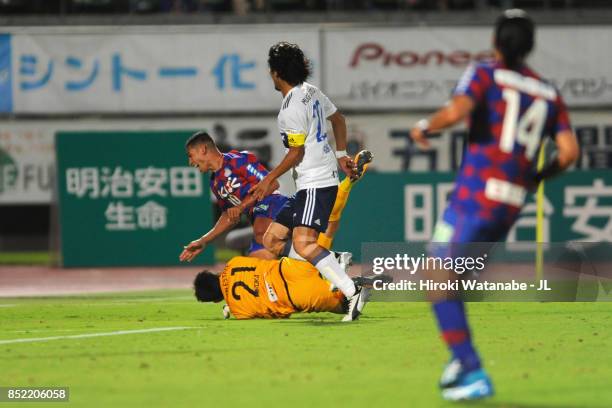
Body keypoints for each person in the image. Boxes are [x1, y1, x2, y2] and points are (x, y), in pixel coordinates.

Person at [409, 9, 579, 401]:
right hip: (512, 201)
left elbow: (458, 110)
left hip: (476, 194)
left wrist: (424, 127)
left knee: (436, 275)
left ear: (496, 42)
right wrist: (536, 179)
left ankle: (469, 369)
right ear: (530, 46)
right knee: (456, 280)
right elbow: (569, 153)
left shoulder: (485, 73)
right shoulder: (549, 93)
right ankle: (459, 362)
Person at [249, 41, 365, 322]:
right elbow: (338, 119)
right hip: (310, 183)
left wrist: (269, 179)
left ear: (276, 73)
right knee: (272, 239)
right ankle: (331, 260)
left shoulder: (289, 110)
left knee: (303, 244)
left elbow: (296, 153)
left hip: (316, 181)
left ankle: (352, 291)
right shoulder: (310, 92)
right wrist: (340, 154)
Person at [180, 131, 287, 260]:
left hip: (275, 205)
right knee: (256, 260)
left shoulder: (238, 161)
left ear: (203, 149)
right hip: (259, 219)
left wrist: (241, 206)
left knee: (261, 234)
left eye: (190, 155)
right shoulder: (215, 183)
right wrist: (203, 241)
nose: (190, 162)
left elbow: (273, 184)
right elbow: (229, 215)